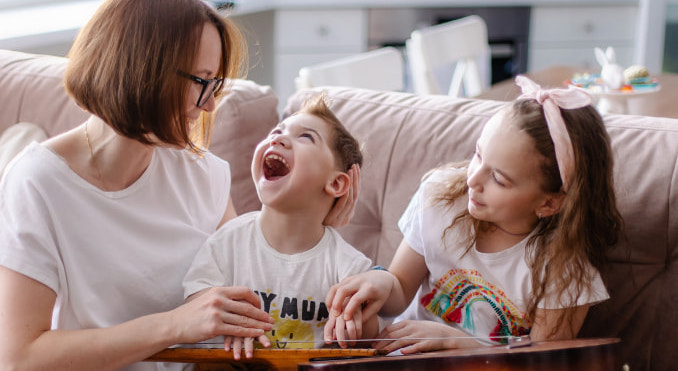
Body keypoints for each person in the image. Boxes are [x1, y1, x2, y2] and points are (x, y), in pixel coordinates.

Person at [0, 1, 358, 370]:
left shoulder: (203, 176)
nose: (207, 107)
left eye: (214, 85)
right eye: (201, 83)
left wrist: (311, 221)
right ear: (143, 70)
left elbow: (257, 294)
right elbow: (20, 358)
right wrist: (173, 325)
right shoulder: (38, 182)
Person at [324, 75, 624, 355]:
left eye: (499, 179)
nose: (472, 180)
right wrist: (380, 284)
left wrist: (457, 342)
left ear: (549, 204)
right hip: (403, 358)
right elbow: (401, 287)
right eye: (478, 155)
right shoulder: (440, 199)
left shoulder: (563, 269)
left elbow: (538, 362)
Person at [183, 94, 378, 360]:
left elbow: (373, 334)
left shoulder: (348, 267)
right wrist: (228, 318)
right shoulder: (228, 241)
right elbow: (194, 297)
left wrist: (356, 321)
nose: (277, 138)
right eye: (276, 131)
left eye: (305, 137)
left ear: (336, 184)